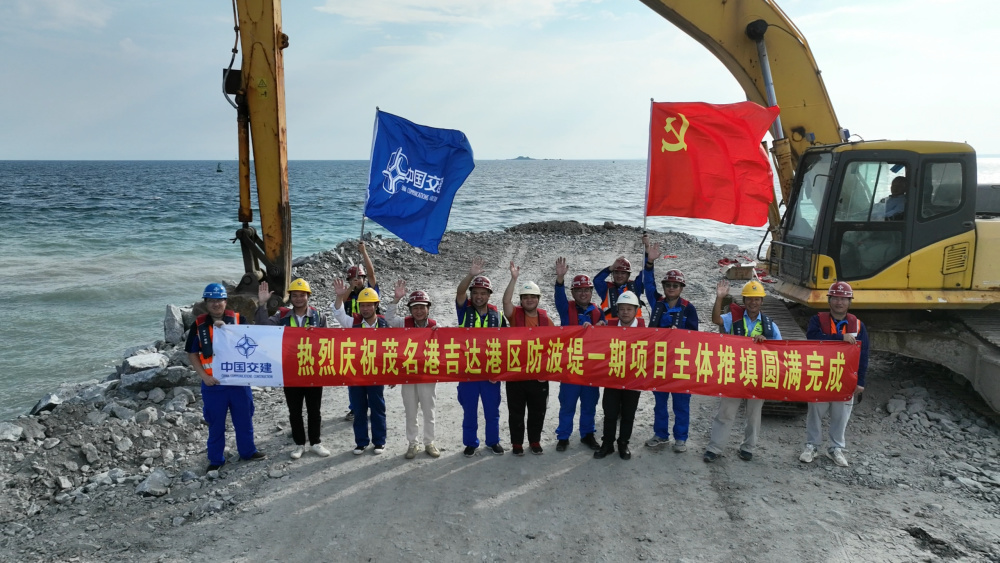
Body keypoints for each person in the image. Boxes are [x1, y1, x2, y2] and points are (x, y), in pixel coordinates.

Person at [186, 283, 265, 471]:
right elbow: (192, 353)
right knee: (215, 424)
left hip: (238, 382)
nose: (216, 304)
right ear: (206, 302)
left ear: (225, 301)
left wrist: (228, 330)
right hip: (213, 385)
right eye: (211, 300)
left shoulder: (239, 319)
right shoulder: (198, 326)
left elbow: (253, 341)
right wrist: (204, 377)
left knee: (244, 419)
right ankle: (215, 460)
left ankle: (248, 451)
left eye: (219, 300)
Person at [703, 279, 782, 463]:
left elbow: (781, 351)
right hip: (735, 374)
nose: (753, 303)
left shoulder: (771, 326)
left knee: (754, 415)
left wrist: (767, 343)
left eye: (756, 299)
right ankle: (715, 448)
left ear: (762, 302)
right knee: (726, 412)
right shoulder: (734, 318)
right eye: (749, 299)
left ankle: (748, 447)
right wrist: (719, 298)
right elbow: (716, 319)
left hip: (758, 376)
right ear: (744, 301)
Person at [255, 278, 331, 460]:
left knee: (315, 410)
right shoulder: (282, 317)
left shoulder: (319, 317)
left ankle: (315, 443)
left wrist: (318, 334)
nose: (298, 299)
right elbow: (262, 327)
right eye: (295, 295)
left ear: (308, 296)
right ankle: (299, 444)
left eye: (302, 295)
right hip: (290, 372)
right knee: (294, 411)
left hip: (312, 370)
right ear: (290, 298)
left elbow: (329, 341)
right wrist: (262, 304)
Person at [799, 282, 869, 467]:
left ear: (849, 301)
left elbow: (864, 354)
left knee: (841, 415)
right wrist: (840, 338)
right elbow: (812, 339)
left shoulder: (859, 326)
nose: (839, 302)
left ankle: (836, 448)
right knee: (815, 413)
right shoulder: (818, 320)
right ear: (829, 300)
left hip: (845, 379)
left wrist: (860, 381)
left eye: (843, 298)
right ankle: (812, 445)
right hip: (820, 375)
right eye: (836, 298)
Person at [642, 262, 699, 454]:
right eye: (668, 285)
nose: (671, 288)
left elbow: (696, 336)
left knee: (681, 403)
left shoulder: (689, 308)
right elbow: (648, 284)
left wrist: (679, 333)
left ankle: (681, 438)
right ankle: (660, 434)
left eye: (675, 285)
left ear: (682, 288)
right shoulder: (657, 303)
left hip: (681, 364)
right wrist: (649, 262)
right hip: (659, 362)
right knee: (660, 402)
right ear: (664, 287)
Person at [455, 257, 508, 457]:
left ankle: (493, 441)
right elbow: (460, 292)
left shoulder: (498, 316)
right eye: (475, 293)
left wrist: (501, 372)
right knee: (469, 411)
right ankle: (470, 443)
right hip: (467, 371)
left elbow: (507, 345)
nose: (478, 296)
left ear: (489, 295)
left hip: (491, 373)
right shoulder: (464, 312)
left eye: (483, 293)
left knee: (492, 411)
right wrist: (471, 275)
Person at [332, 279, 389, 456]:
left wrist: (392, 374)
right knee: (359, 408)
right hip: (356, 373)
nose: (365, 309)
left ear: (376, 306)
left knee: (378, 407)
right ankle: (361, 442)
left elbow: (394, 349)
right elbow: (338, 313)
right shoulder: (353, 323)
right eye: (362, 305)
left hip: (376, 374)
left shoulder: (385, 325)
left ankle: (379, 442)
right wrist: (339, 296)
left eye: (369, 305)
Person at [553, 256, 604, 452]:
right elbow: (558, 297)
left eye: (586, 289)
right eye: (579, 290)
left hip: (591, 367)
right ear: (573, 292)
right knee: (567, 403)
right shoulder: (566, 309)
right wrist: (560, 278)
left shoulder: (599, 312)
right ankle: (563, 436)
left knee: (590, 404)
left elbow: (609, 337)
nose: (583, 293)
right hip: (570, 365)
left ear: (592, 291)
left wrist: (601, 326)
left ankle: (587, 434)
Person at [502, 262, 553, 456]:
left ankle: (535, 441)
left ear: (538, 299)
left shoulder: (546, 320)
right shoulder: (514, 315)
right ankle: (517, 444)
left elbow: (559, 341)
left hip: (538, 374)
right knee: (516, 411)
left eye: (533, 296)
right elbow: (506, 302)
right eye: (525, 297)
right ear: (521, 300)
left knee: (537, 410)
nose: (529, 300)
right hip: (516, 373)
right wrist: (513, 279)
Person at [385, 280, 441, 459]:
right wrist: (396, 300)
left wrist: (440, 333)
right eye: (415, 307)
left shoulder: (434, 325)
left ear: (428, 308)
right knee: (410, 410)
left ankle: (429, 442)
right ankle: (412, 443)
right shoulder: (404, 322)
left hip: (426, 375)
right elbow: (388, 319)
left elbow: (444, 347)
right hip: (408, 374)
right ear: (410, 309)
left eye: (422, 307)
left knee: (428, 409)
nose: (419, 311)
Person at [594, 291, 645, 461]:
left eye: (629, 309)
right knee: (610, 412)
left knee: (628, 414)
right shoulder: (609, 325)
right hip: (613, 378)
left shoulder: (645, 328)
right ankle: (607, 444)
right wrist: (593, 329)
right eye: (622, 309)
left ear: (636, 310)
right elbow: (595, 344)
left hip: (633, 379)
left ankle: (623, 443)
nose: (625, 312)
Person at [341, 241, 380, 422]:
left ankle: (374, 406)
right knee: (353, 374)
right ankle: (354, 407)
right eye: (353, 279)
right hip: (353, 339)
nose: (358, 281)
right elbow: (339, 301)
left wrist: (364, 252)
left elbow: (372, 274)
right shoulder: (348, 295)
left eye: (360, 279)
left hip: (372, 337)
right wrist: (351, 286)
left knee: (373, 372)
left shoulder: (370, 293)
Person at [593, 234, 652, 322]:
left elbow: (646, 273)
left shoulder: (636, 286)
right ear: (612, 274)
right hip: (611, 328)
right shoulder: (606, 289)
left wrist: (647, 248)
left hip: (633, 327)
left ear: (628, 275)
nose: (619, 276)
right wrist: (611, 268)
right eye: (616, 272)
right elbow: (597, 280)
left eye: (623, 273)